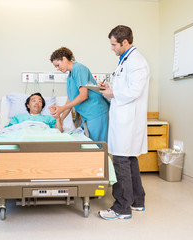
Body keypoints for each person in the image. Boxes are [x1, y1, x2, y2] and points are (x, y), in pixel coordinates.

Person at [98, 25, 149, 220]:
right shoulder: (126, 60)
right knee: (129, 160)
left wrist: (113, 93)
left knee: (121, 160)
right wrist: (110, 88)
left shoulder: (137, 62)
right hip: (124, 118)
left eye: (114, 44)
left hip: (128, 120)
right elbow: (125, 87)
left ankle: (121, 207)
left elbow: (134, 91)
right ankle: (138, 201)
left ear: (125, 42)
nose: (112, 48)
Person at [49, 47, 109, 142]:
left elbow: (83, 95)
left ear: (64, 59)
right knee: (90, 146)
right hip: (87, 116)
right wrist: (61, 118)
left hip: (96, 112)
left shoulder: (79, 69)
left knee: (99, 148)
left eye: (58, 65)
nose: (57, 68)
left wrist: (62, 108)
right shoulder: (70, 76)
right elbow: (70, 100)